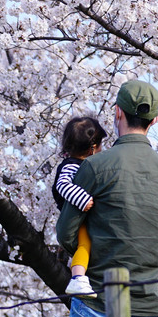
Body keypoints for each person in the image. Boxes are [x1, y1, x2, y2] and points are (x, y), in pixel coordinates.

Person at [56, 80, 158, 317]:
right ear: (155, 120)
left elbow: (66, 233)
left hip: (97, 303)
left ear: (117, 113)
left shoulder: (93, 166)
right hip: (146, 304)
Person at [52, 117, 107, 298]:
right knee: (84, 245)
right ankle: (78, 278)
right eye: (100, 145)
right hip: (79, 220)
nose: (101, 150)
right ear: (92, 149)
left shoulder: (82, 164)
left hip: (86, 218)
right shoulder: (70, 165)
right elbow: (63, 185)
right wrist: (82, 199)